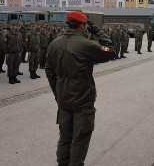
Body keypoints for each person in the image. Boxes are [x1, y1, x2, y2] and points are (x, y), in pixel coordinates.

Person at [45, 11, 116, 166]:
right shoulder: (85, 44)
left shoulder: (55, 43)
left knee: (65, 137)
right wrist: (98, 32)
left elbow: (49, 71)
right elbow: (110, 51)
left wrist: (58, 92)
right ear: (83, 25)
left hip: (63, 99)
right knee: (80, 139)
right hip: (82, 100)